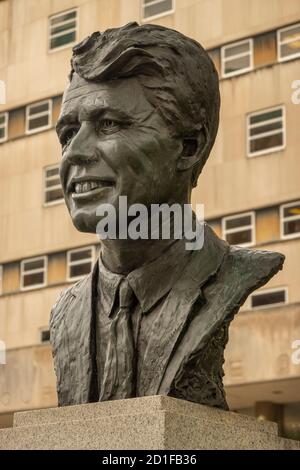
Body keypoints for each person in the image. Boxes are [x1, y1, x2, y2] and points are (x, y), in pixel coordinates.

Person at [50, 22, 284, 409]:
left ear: (189, 146)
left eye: (108, 124)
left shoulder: (235, 275)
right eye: (68, 133)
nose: (74, 153)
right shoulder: (65, 314)